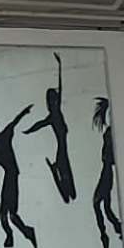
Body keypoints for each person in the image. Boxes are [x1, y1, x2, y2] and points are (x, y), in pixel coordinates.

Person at [0, 105, 38, 248]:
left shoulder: (4, 138)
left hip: (12, 178)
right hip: (9, 179)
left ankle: (21, 233)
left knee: (10, 214)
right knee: (6, 214)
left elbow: (14, 121)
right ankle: (19, 233)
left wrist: (24, 112)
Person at [32, 65, 79, 204]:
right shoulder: (52, 116)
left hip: (63, 153)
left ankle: (54, 170)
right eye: (53, 99)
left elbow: (61, 87)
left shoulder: (56, 112)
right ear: (51, 101)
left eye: (55, 98)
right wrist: (29, 130)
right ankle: (53, 171)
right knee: (68, 197)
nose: (56, 100)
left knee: (72, 195)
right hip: (62, 153)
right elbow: (39, 124)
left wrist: (59, 66)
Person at [89, 92, 121, 248]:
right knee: (105, 206)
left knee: (97, 203)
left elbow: (111, 155)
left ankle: (106, 233)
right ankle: (113, 228)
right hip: (106, 169)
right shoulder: (109, 131)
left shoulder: (112, 133)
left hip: (106, 171)